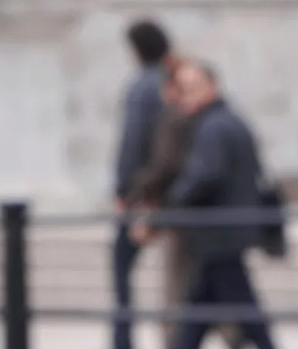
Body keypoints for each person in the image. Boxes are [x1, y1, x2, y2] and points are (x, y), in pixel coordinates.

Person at [126, 56, 246, 349]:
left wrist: (149, 205)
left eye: (192, 87)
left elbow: (179, 169)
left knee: (188, 291)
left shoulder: (197, 121)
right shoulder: (215, 118)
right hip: (203, 222)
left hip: (195, 221)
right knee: (208, 293)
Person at [166, 63, 276, 349]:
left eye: (192, 89)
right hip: (224, 234)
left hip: (219, 234)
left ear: (211, 87)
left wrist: (175, 197)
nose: (185, 98)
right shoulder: (226, 121)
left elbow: (206, 174)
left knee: (240, 310)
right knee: (201, 309)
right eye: (183, 90)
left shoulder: (214, 127)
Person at [112, 19, 170, 349]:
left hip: (143, 192)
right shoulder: (168, 81)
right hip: (167, 188)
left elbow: (132, 143)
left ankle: (123, 340)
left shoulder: (143, 87)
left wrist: (123, 190)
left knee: (122, 266)